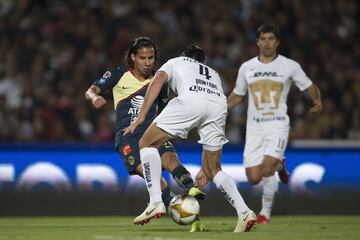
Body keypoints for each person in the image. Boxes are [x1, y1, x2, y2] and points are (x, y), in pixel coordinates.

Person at [124, 45, 257, 232]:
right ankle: (245, 212)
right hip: (219, 106)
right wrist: (204, 167)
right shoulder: (213, 73)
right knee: (214, 169)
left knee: (146, 143)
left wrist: (142, 115)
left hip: (191, 101)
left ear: (185, 56)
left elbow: (157, 81)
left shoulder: (176, 61)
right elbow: (207, 107)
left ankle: (155, 201)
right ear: (201, 62)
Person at [85, 37, 205, 231]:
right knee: (156, 179)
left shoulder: (160, 79)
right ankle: (182, 211)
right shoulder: (118, 74)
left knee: (172, 160)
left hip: (152, 133)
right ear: (133, 57)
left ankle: (190, 189)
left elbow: (165, 110)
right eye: (143, 58)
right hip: (128, 136)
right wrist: (94, 97)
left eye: (151, 57)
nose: (148, 62)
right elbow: (91, 89)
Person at [228, 23, 323, 224]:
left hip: (277, 124)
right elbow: (237, 95)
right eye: (263, 39)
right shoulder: (247, 67)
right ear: (257, 42)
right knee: (254, 177)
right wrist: (219, 108)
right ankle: (281, 164)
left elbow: (309, 85)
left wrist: (317, 100)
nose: (267, 43)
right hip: (254, 127)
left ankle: (265, 213)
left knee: (267, 167)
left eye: (271, 39)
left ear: (277, 42)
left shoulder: (289, 66)